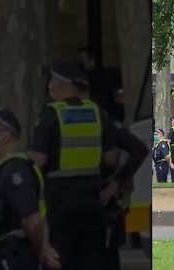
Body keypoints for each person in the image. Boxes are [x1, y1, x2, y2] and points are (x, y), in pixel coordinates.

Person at [28, 61, 118, 270]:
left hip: (60, 203)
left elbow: (38, 160)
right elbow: (111, 158)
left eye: (51, 80)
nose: (49, 85)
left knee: (60, 259)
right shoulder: (96, 111)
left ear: (59, 85)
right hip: (92, 201)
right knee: (90, 260)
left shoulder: (50, 113)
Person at [0, 109, 60, 270]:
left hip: (14, 256)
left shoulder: (16, 171)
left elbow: (33, 220)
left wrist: (42, 250)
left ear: (6, 137)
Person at [100, 88, 149, 270]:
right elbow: (139, 150)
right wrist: (117, 182)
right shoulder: (106, 122)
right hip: (109, 205)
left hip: (98, 206)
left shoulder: (103, 123)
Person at [78, 47, 116, 117]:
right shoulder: (82, 75)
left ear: (91, 60)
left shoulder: (102, 76)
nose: (80, 62)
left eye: (82, 58)